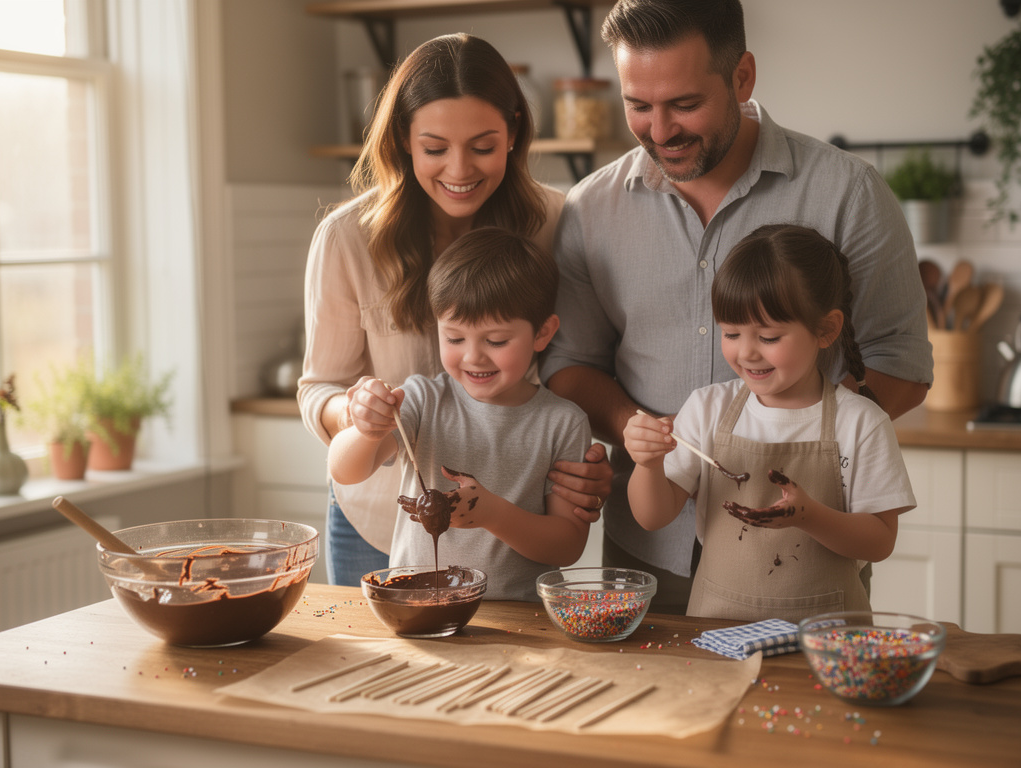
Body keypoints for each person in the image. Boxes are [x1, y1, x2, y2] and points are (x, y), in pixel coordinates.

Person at [540, 0, 932, 614]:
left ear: (742, 77)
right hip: (649, 548)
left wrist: (798, 447)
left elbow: (902, 367)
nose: (660, 130)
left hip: (809, 552)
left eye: (685, 104)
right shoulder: (591, 209)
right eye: (638, 106)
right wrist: (645, 438)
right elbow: (567, 365)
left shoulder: (847, 193)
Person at [298, 33, 611, 588]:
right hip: (376, 522)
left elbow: (578, 363)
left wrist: (586, 462)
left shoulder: (559, 222)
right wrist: (360, 416)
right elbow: (319, 387)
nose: (460, 169)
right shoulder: (347, 238)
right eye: (435, 148)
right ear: (403, 140)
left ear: (514, 132)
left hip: (512, 533)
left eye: (483, 146)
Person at [623, 224, 915, 621]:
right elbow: (651, 516)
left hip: (825, 641)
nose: (746, 352)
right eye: (731, 333)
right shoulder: (707, 409)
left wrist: (810, 516)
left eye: (770, 337)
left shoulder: (861, 423)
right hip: (717, 630)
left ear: (826, 329)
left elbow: (880, 542)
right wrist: (648, 463)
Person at [328, 228, 593, 601]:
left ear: (542, 333)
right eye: (454, 338)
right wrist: (366, 428)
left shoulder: (563, 423)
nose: (473, 357)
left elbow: (566, 546)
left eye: (496, 341)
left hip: (522, 620)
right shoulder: (421, 399)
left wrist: (495, 515)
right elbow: (344, 470)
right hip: (421, 606)